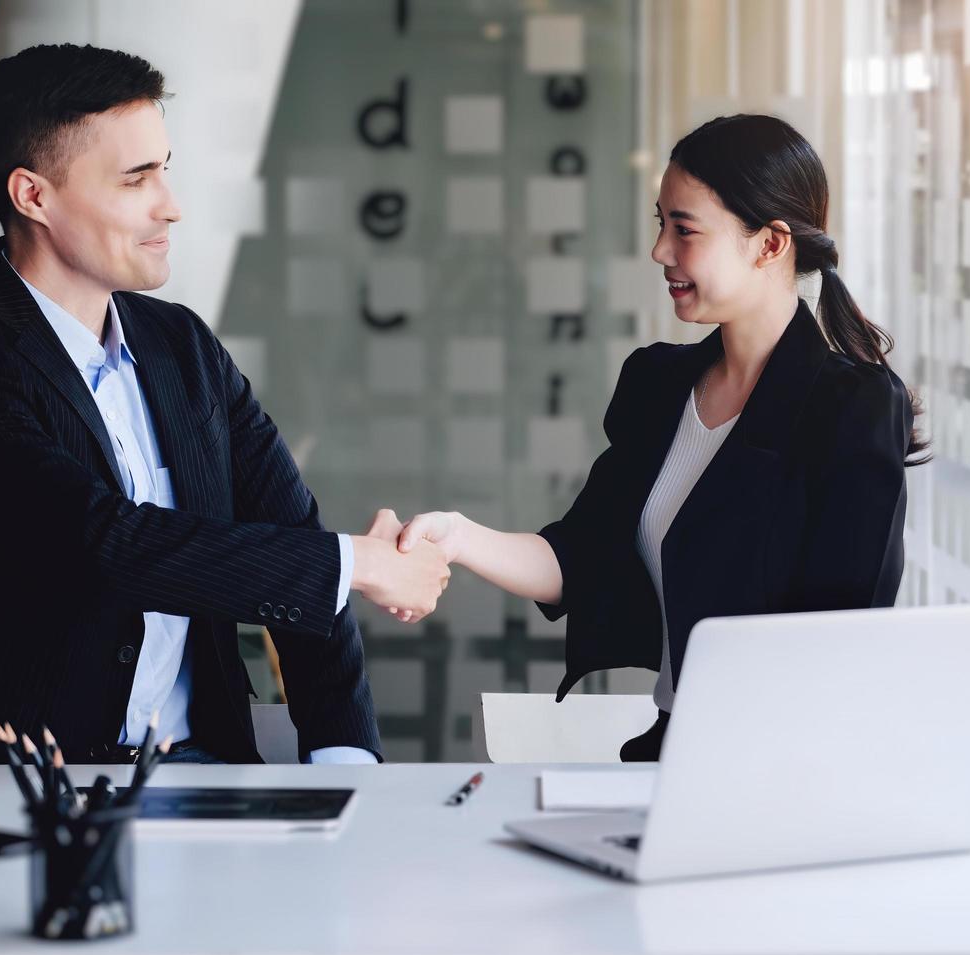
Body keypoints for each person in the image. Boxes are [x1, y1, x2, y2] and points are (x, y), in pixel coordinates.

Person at [0, 44, 449, 764]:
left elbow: (289, 531)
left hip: (200, 770)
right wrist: (356, 564)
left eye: (166, 168)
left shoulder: (181, 346)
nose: (170, 206)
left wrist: (345, 760)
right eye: (135, 179)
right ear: (33, 195)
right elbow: (107, 548)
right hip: (10, 791)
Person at [386, 114, 928, 761]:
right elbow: (580, 560)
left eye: (684, 229)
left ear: (770, 243)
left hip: (785, 766)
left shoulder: (854, 407)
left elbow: (844, 640)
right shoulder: (658, 384)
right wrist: (458, 537)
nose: (660, 252)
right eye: (660, 223)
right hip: (670, 751)